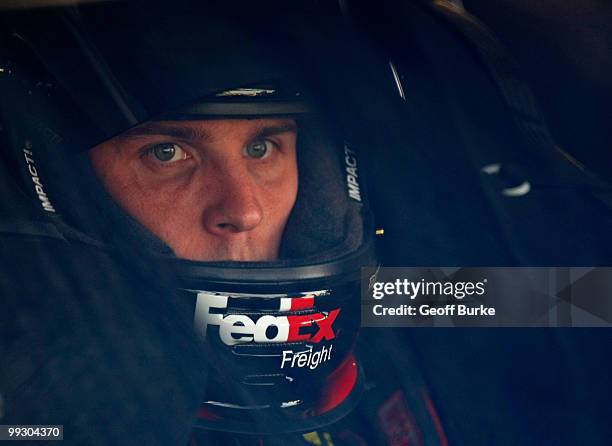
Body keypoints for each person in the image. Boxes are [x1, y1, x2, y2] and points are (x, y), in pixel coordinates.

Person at [0, 2, 377, 443]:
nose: (243, 210)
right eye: (166, 153)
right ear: (66, 192)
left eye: (262, 148)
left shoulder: (419, 331)